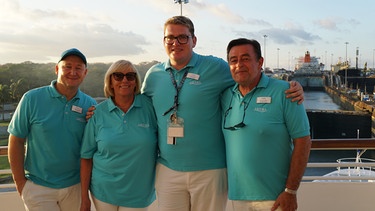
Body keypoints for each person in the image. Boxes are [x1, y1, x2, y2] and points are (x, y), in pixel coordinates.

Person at [141, 16, 305, 211]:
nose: (176, 43)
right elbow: (138, 109)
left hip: (210, 171)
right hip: (168, 169)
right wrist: (95, 113)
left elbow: (248, 75)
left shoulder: (216, 67)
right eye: (170, 38)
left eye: (183, 37)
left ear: (194, 40)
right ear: (164, 41)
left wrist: (292, 86)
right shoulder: (153, 75)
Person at [222, 38, 311, 211]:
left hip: (275, 198)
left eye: (246, 58)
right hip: (237, 197)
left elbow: (303, 141)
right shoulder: (225, 96)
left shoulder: (286, 92)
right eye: (233, 60)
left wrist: (290, 191)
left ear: (260, 62)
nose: (239, 64)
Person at [7, 48, 97, 211]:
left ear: (85, 73)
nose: (73, 72)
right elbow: (16, 140)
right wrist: (21, 183)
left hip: (75, 187)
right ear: (57, 69)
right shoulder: (31, 99)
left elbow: (96, 145)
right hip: (38, 187)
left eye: (78, 68)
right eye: (67, 66)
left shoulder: (90, 105)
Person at [80, 60, 158, 211]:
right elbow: (86, 157)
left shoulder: (150, 107)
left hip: (139, 194)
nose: (124, 80)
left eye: (130, 76)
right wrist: (84, 199)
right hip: (103, 192)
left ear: (136, 82)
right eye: (118, 76)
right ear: (110, 82)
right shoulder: (97, 113)